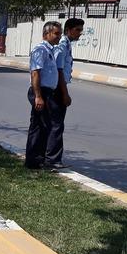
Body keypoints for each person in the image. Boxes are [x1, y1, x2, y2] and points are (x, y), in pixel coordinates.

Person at [25, 21, 64, 170]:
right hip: (41, 92)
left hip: (47, 92)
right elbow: (35, 73)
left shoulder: (50, 50)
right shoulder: (40, 50)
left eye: (59, 33)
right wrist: (38, 96)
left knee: (45, 126)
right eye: (56, 33)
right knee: (38, 126)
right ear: (46, 34)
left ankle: (39, 160)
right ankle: (33, 162)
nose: (59, 36)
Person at [50, 18, 85, 168]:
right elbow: (58, 71)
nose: (80, 33)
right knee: (56, 125)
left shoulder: (66, 44)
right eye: (77, 30)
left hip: (59, 87)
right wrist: (65, 94)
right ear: (69, 30)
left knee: (56, 124)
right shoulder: (63, 45)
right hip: (57, 88)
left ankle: (51, 158)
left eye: (80, 30)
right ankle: (53, 159)